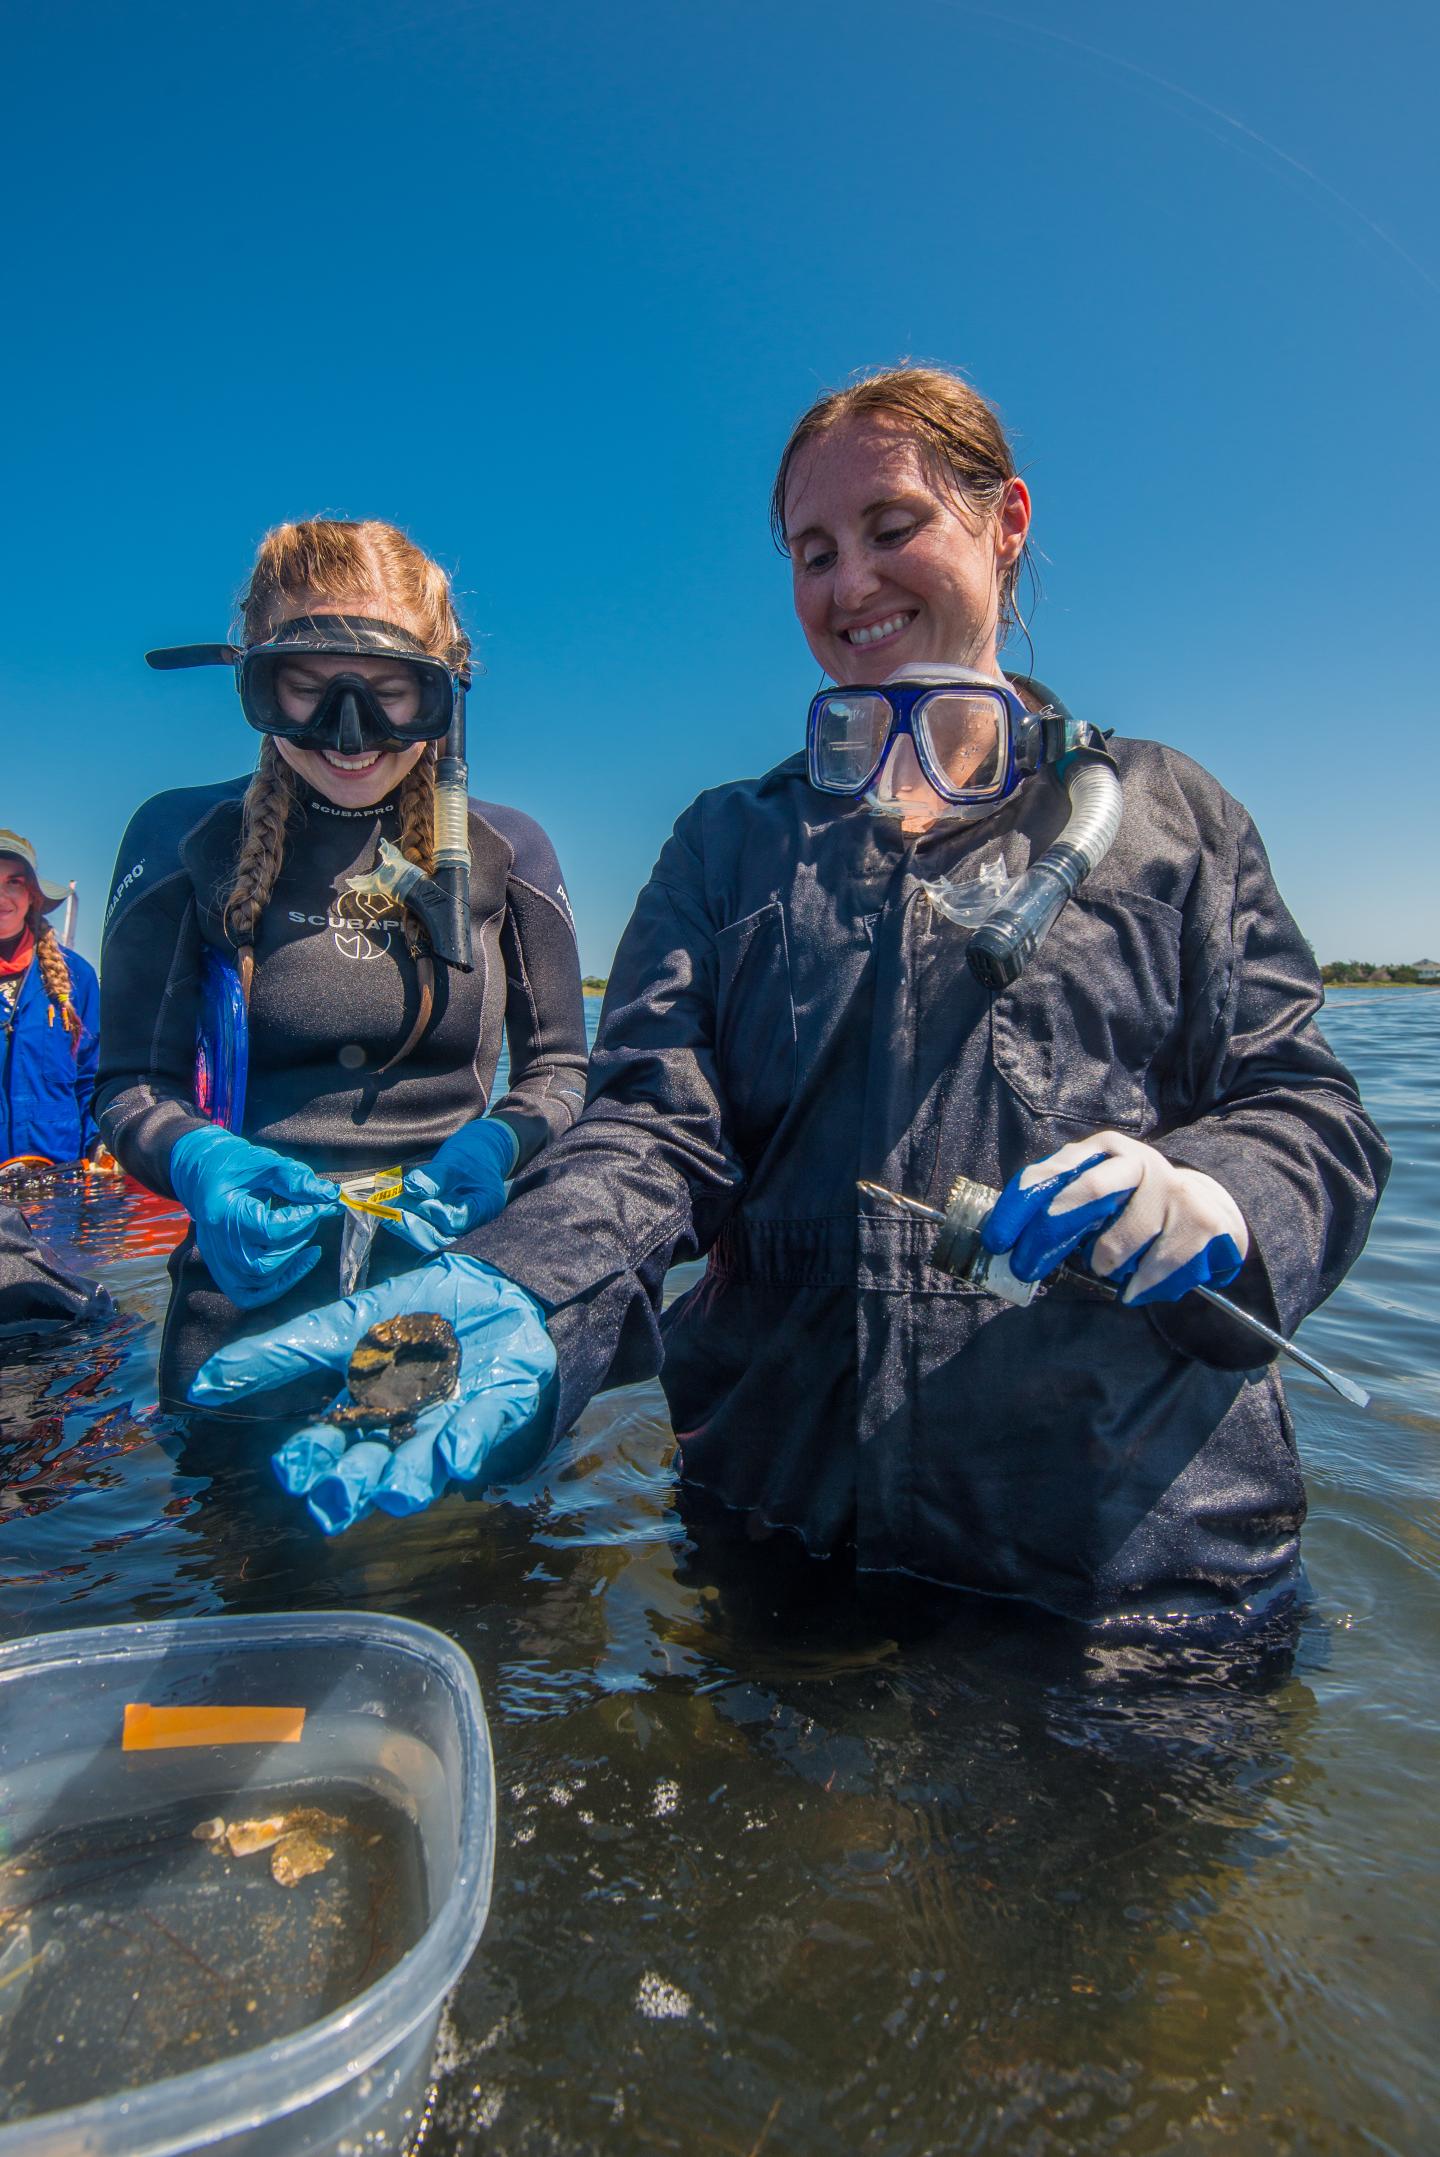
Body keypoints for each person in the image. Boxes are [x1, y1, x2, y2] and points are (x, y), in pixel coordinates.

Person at [194, 371, 1389, 1633]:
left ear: (1007, 522)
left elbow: (1309, 1110)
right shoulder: (727, 845)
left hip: (1132, 1572)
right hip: (778, 1537)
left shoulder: (1172, 816)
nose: (850, 584)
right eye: (814, 554)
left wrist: (1221, 1192)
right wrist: (532, 1283)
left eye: (892, 527)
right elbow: (649, 1130)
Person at [96, 518, 587, 1415]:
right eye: (307, 687)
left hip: (451, 1299)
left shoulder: (506, 850)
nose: (350, 733)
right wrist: (198, 1159)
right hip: (238, 1312)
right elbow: (130, 1081)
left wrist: (502, 1143)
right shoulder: (181, 839)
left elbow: (560, 1068)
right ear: (256, 680)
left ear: (446, 693)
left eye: (391, 692)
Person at [0, 830, 100, 1168]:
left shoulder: (79, 977)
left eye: (14, 882)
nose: (2, 896)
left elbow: (92, 1079)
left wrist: (101, 1143)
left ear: (32, 894)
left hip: (58, 1178)